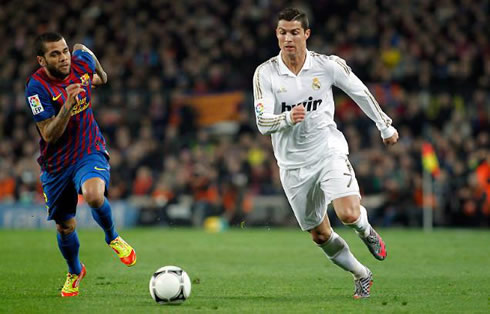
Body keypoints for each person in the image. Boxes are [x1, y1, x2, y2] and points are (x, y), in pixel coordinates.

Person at [252, 8, 399, 299]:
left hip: (327, 151)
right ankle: (362, 274)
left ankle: (365, 230)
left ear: (306, 34)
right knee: (320, 234)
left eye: (294, 32)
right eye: (283, 32)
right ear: (277, 35)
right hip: (293, 165)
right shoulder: (265, 73)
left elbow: (360, 92)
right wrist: (285, 118)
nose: (288, 38)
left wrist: (385, 126)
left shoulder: (327, 66)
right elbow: (262, 122)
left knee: (348, 214)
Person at [25, 32, 136, 297]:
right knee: (65, 226)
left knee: (94, 194)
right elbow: (49, 135)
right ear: (42, 60)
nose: (64, 57)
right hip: (56, 164)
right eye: (55, 54)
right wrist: (67, 105)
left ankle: (112, 237)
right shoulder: (36, 88)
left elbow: (101, 77)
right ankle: (75, 271)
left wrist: (94, 68)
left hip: (89, 149)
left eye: (64, 51)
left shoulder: (80, 62)